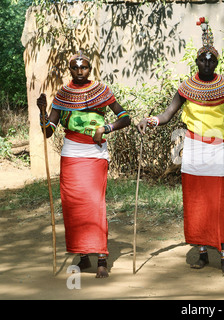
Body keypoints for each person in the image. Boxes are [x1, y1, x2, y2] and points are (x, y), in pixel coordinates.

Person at [137, 17, 224, 276]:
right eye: (203, 59)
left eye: (212, 59)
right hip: (192, 148)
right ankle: (202, 253)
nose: (207, 63)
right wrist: (151, 120)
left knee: (218, 202)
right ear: (197, 61)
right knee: (196, 203)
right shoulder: (186, 87)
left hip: (216, 150)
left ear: (217, 62)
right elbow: (168, 115)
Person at [37, 52, 131, 278]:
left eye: (84, 67)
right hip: (71, 153)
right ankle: (82, 257)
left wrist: (105, 128)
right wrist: (42, 112)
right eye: (75, 68)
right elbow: (49, 131)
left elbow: (125, 117)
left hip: (95, 152)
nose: (80, 71)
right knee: (73, 204)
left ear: (91, 69)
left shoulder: (101, 91)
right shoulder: (63, 95)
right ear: (69, 69)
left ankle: (101, 257)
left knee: (94, 202)